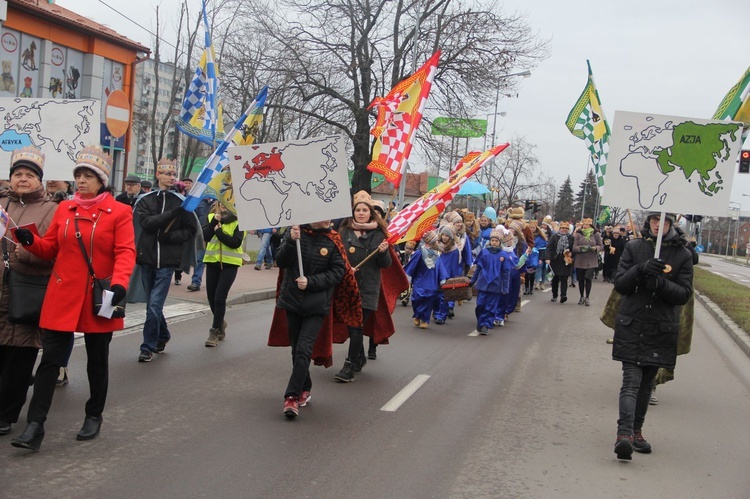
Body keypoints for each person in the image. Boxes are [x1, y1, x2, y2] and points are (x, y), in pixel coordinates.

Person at [10, 145, 136, 450]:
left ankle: (94, 415)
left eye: (88, 175)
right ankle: (35, 426)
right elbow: (51, 248)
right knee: (49, 362)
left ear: (101, 181)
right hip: (62, 295)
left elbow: (125, 252)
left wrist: (119, 285)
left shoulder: (120, 212)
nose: (81, 180)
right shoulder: (65, 209)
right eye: (78, 174)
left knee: (97, 361)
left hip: (98, 297)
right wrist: (30, 241)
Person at [611, 212, 693, 460]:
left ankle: (637, 431)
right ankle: (623, 435)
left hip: (661, 327)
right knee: (631, 381)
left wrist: (661, 285)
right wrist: (640, 270)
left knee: (647, 384)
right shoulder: (635, 247)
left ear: (671, 224)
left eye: (664, 221)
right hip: (633, 322)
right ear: (649, 222)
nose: (658, 225)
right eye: (654, 220)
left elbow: (684, 294)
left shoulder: (683, 255)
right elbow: (621, 284)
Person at [270, 221, 357, 418]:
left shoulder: (333, 239)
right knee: (296, 350)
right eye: (323, 215)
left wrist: (311, 282)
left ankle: (291, 397)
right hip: (292, 302)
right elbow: (281, 260)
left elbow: (338, 271)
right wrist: (291, 241)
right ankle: (304, 386)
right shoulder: (295, 233)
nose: (328, 219)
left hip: (317, 306)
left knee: (304, 349)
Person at [0, 146, 58, 437]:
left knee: (20, 357)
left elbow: (52, 252)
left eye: (29, 175)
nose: (23, 179)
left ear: (39, 180)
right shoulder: (1, 204)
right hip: (0, 290)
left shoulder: (51, 209)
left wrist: (23, 251)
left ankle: (7, 413)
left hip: (27, 290)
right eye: (18, 174)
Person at [133, 158, 197, 362]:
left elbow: (190, 230)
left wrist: (170, 237)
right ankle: (163, 335)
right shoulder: (145, 200)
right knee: (151, 305)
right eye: (166, 174)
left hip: (167, 261)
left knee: (154, 306)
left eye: (173, 174)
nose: (171, 177)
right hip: (147, 258)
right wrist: (172, 215)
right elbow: (147, 223)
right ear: (157, 175)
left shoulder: (181, 202)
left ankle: (147, 346)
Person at [334, 191, 391, 382]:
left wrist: (383, 253)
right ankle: (359, 357)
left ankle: (349, 365)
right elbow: (337, 255)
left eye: (364, 210)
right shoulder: (345, 231)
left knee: (356, 326)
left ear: (370, 212)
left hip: (368, 287)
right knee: (352, 326)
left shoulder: (379, 234)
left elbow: (386, 264)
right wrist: (344, 266)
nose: (360, 213)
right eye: (357, 209)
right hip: (348, 286)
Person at [202, 203, 245, 347]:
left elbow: (235, 242)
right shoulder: (210, 217)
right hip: (212, 262)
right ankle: (220, 322)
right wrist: (215, 220)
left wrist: (220, 233)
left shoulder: (239, 221)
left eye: (227, 203)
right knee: (211, 297)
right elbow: (206, 235)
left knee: (220, 297)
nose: (224, 206)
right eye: (221, 203)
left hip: (230, 264)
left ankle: (215, 331)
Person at [470, 228, 511, 334]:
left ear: (499, 242)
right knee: (480, 305)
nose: (494, 243)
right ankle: (481, 320)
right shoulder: (484, 252)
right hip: (483, 283)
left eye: (496, 241)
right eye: (492, 240)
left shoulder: (503, 255)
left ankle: (485, 325)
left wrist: (505, 287)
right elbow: (478, 268)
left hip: (495, 285)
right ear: (490, 241)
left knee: (491, 306)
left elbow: (506, 272)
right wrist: (472, 281)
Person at [404, 230, 443, 329]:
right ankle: (417, 315)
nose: (438, 243)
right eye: (436, 241)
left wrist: (442, 279)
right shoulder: (420, 252)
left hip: (432, 281)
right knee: (417, 299)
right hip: (420, 280)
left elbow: (440, 267)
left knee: (428, 300)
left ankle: (425, 319)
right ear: (432, 242)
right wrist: (408, 276)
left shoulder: (437, 254)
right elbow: (412, 265)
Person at [572, 218, 603, 306]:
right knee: (581, 279)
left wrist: (595, 248)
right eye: (584, 225)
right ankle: (581, 296)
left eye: (587, 225)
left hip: (591, 260)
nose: (585, 226)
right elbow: (574, 247)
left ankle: (587, 297)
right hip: (580, 260)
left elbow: (601, 246)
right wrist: (581, 249)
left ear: (591, 225)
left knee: (588, 278)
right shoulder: (578, 234)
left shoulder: (596, 234)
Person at [187, 198, 213, 292]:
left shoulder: (217, 203)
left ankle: (215, 283)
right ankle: (195, 282)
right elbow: (194, 219)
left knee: (213, 260)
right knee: (199, 259)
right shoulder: (199, 203)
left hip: (215, 236)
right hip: (201, 236)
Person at [547, 221, 574, 303]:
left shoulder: (571, 238)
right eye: (562, 228)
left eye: (566, 228)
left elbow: (573, 248)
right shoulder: (554, 236)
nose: (564, 230)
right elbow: (549, 248)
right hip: (555, 259)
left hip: (565, 260)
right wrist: (548, 258)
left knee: (564, 278)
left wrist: (571, 253)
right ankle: (554, 295)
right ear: (560, 228)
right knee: (555, 279)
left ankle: (563, 295)